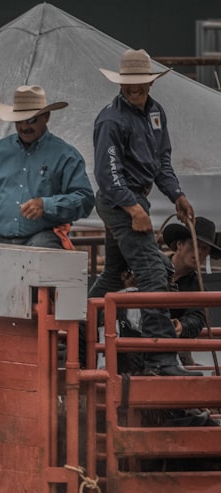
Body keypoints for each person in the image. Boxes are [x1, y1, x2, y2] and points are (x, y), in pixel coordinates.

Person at [87, 49, 197, 377]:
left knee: (113, 273)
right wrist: (133, 208)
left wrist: (175, 193)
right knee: (154, 270)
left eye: (141, 83)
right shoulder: (111, 119)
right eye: (130, 84)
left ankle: (78, 326)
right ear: (122, 84)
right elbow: (108, 174)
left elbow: (162, 161)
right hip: (121, 200)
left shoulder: (155, 113)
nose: (136, 88)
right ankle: (161, 358)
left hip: (131, 199)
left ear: (149, 82)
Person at [0, 85, 94, 249]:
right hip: (2, 237)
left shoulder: (65, 155)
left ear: (46, 116)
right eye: (19, 121)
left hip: (44, 236)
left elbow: (85, 200)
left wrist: (46, 205)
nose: (24, 126)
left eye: (31, 120)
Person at [161, 217, 218, 361]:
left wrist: (182, 326)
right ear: (179, 244)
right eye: (194, 245)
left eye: (204, 249)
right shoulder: (154, 268)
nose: (199, 252)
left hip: (172, 350)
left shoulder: (198, 288)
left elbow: (197, 317)